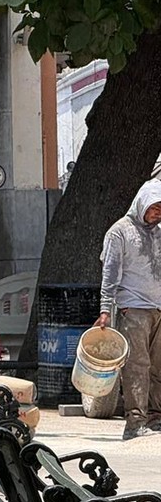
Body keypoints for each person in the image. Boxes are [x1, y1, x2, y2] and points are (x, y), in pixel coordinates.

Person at [94, 177, 161, 440]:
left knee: (158, 366)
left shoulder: (159, 230)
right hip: (133, 310)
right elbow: (109, 275)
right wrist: (105, 309)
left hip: (159, 307)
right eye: (155, 207)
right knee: (137, 365)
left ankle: (156, 417)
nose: (158, 213)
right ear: (142, 203)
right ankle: (135, 422)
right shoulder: (119, 232)